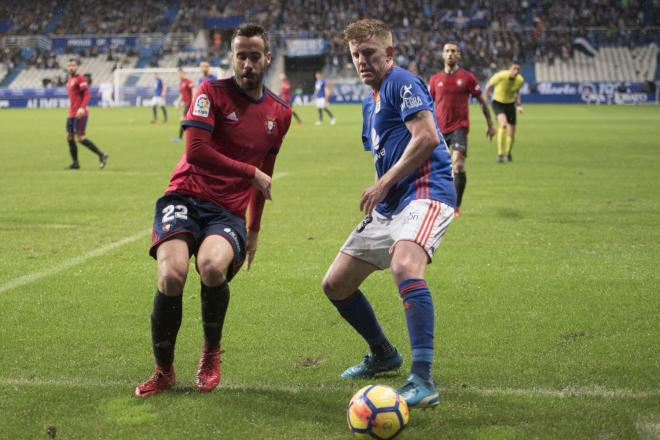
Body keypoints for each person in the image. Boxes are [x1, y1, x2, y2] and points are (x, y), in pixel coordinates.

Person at [135, 23, 292, 398]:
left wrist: (254, 229)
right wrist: (249, 172)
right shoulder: (210, 92)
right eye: (241, 56)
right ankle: (164, 370)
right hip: (184, 196)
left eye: (255, 56)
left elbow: (264, 177)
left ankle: (210, 352)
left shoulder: (279, 113)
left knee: (210, 267)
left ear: (266, 58)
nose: (248, 64)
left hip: (227, 212)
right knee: (172, 275)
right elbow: (196, 151)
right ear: (232, 58)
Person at [322, 19, 456, 409]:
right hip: (391, 203)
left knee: (404, 266)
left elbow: (427, 137)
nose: (362, 61)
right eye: (355, 56)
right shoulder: (370, 101)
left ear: (389, 53)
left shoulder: (402, 81)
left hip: (426, 191)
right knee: (335, 284)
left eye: (369, 53)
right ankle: (383, 354)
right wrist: (382, 190)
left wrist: (383, 184)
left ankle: (423, 378)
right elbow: (386, 155)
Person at [428, 42, 495, 217]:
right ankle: (435, 201)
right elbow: (427, 105)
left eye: (453, 51)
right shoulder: (435, 80)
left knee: (457, 162)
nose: (450, 54)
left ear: (458, 55)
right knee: (435, 168)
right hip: (439, 130)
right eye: (447, 51)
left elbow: (481, 101)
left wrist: (490, 124)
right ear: (443, 55)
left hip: (459, 128)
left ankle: (455, 206)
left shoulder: (467, 78)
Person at [65, 59, 108, 170]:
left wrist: (81, 108)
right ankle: (75, 163)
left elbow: (87, 93)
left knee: (80, 138)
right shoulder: (70, 80)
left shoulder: (80, 79)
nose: (71, 67)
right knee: (69, 137)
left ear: (77, 67)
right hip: (71, 114)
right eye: (69, 65)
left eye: (73, 65)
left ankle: (101, 155)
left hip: (80, 114)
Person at [484, 62, 524, 162]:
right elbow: (488, 85)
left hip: (510, 104)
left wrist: (518, 105)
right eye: (514, 69)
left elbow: (516, 92)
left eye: (518, 69)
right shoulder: (500, 76)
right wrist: (485, 100)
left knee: (512, 133)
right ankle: (500, 154)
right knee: (503, 125)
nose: (516, 71)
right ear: (510, 69)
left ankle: (508, 152)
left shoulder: (520, 80)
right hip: (498, 103)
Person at [174, 68, 194, 141]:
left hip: (189, 104)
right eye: (178, 74)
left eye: (180, 74)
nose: (179, 75)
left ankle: (179, 137)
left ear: (183, 74)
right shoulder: (180, 83)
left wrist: (193, 101)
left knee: (183, 120)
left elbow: (193, 91)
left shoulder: (188, 82)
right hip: (186, 104)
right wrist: (178, 104)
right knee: (188, 121)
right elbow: (182, 95)